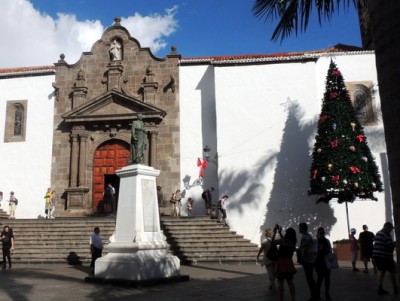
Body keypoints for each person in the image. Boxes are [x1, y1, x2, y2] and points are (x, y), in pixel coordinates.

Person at [372, 222, 398, 295]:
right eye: (390, 229)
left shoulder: (378, 233)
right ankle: (395, 287)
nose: (391, 230)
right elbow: (390, 246)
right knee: (392, 271)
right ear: (387, 227)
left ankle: (380, 288)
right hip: (385, 257)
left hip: (378, 256)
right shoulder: (386, 234)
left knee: (381, 271)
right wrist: (395, 243)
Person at [273, 226, 297, 301]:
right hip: (289, 262)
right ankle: (293, 298)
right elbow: (285, 242)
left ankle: (281, 299)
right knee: (290, 281)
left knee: (280, 282)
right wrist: (280, 233)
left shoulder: (283, 240)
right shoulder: (293, 242)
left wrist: (274, 233)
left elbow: (273, 243)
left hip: (281, 262)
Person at [298, 222, 318, 301]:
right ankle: (315, 294)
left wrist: (302, 257)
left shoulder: (305, 237)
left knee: (309, 278)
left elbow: (305, 249)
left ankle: (314, 295)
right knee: (310, 278)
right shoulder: (308, 236)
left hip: (307, 260)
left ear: (302, 228)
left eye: (300, 227)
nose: (299, 229)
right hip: (311, 259)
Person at [315, 227, 332, 301]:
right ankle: (318, 294)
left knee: (326, 279)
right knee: (320, 279)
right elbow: (313, 251)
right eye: (321, 232)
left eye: (323, 232)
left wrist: (324, 249)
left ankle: (326, 294)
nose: (322, 234)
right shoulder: (315, 241)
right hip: (319, 262)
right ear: (318, 233)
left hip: (325, 261)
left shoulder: (326, 241)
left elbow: (330, 250)